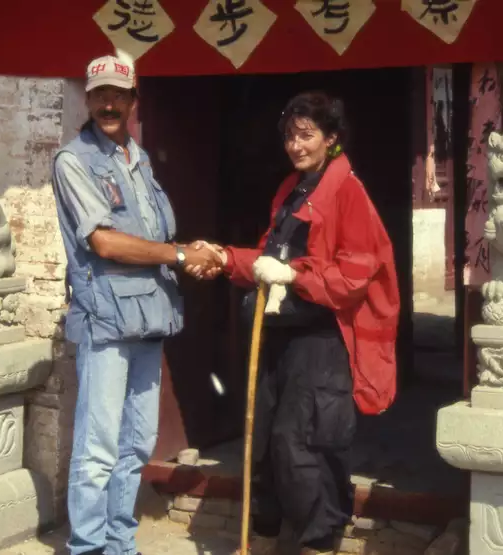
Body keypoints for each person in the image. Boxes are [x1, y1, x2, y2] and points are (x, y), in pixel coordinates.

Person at [197, 91, 400, 555]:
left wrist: (294, 275)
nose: (295, 145)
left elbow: (355, 272)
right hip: (278, 336)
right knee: (264, 438)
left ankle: (319, 542)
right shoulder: (291, 189)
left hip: (322, 340)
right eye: (290, 135)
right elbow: (270, 256)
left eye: (306, 135)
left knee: (303, 442)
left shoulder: (348, 192)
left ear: (331, 139)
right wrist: (225, 257)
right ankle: (265, 534)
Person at [51, 50, 222, 555]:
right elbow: (105, 242)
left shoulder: (138, 159)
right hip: (105, 318)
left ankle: (120, 540)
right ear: (88, 97)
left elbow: (157, 234)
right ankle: (87, 545)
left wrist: (197, 255)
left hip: (149, 317)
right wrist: (179, 253)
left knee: (137, 443)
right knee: (98, 447)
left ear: (132, 101)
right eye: (100, 94)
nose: (108, 104)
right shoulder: (73, 161)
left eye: (118, 95)